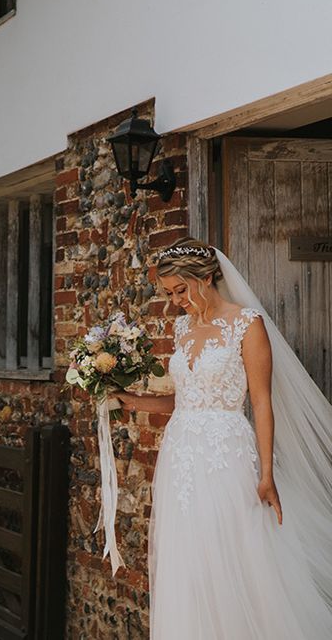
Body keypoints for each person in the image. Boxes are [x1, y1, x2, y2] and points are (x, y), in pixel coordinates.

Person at [116, 237, 332, 639]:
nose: (175, 300)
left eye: (181, 290)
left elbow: (262, 403)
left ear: (208, 276)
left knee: (233, 552)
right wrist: (132, 399)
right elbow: (185, 400)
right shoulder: (182, 327)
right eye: (169, 293)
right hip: (181, 455)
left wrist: (266, 473)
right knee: (189, 558)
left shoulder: (246, 324)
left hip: (226, 453)